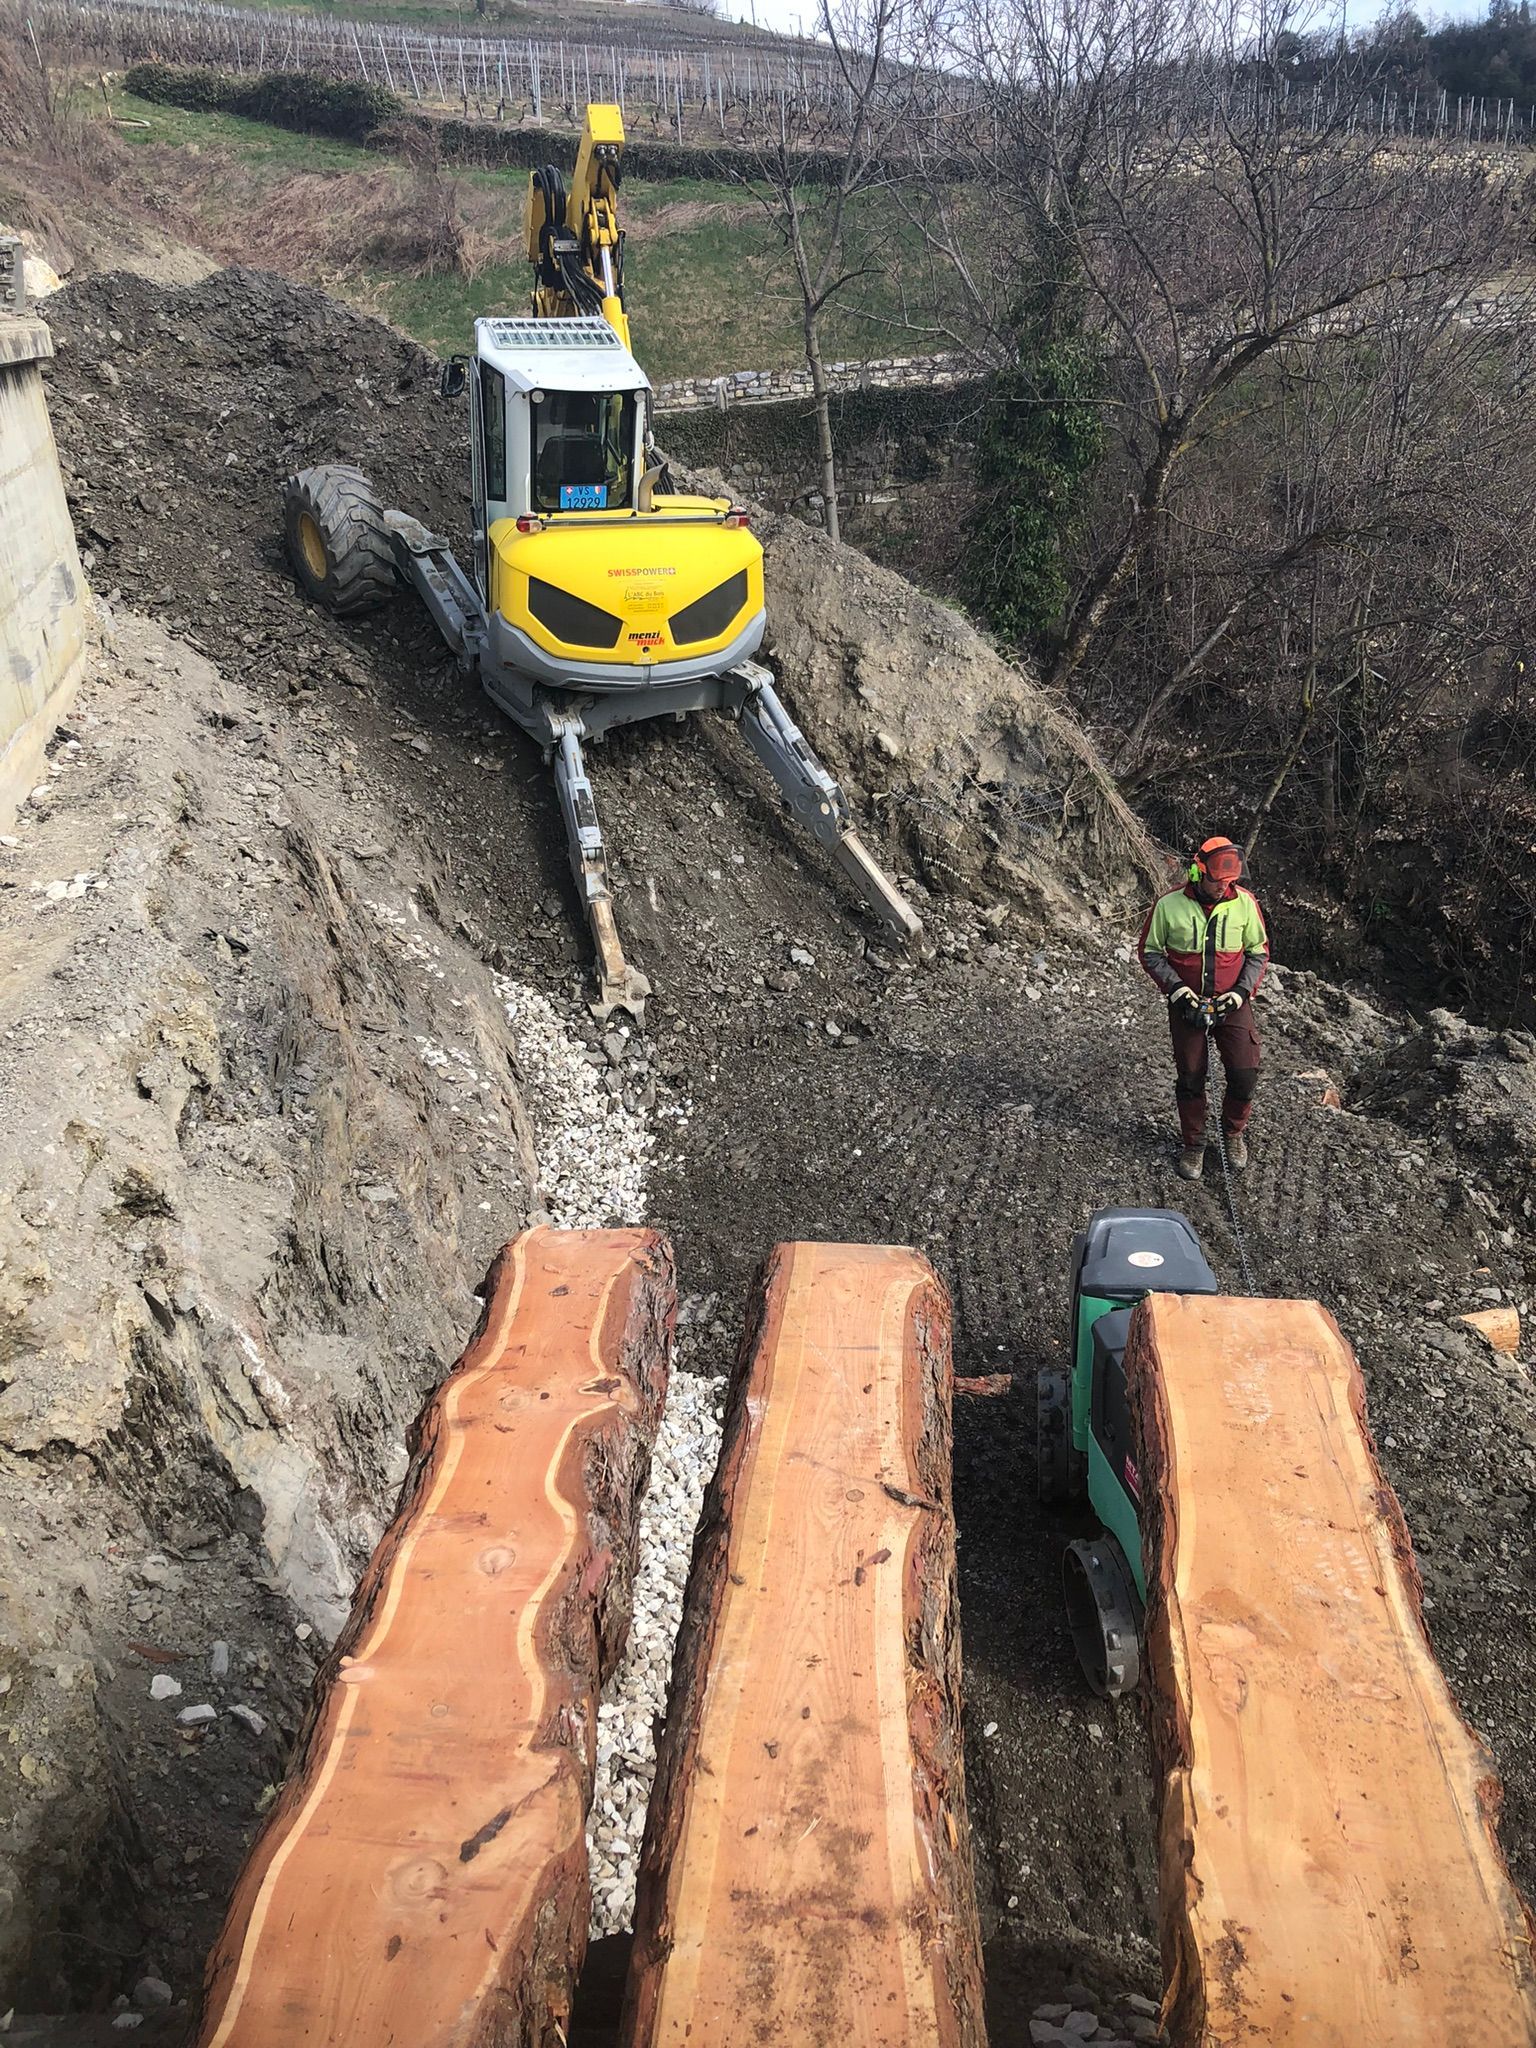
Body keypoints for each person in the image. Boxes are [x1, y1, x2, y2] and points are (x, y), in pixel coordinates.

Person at [1137, 836, 1269, 1181]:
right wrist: (1178, 990)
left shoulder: (1245, 904)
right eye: (1217, 881)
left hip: (1232, 999)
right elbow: (1150, 952)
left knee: (1245, 1073)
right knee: (1191, 1076)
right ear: (1198, 872)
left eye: (1230, 882)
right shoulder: (1168, 905)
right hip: (1187, 1001)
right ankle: (1193, 1143)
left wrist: (1241, 993)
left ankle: (1233, 1132)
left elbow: (1258, 952)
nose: (1223, 888)